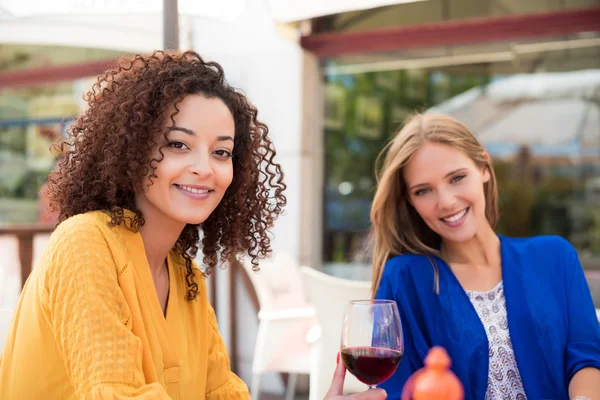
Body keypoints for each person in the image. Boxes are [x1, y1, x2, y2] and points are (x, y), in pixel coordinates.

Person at [0, 50, 386, 400]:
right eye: (178, 144)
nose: (205, 168)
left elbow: (223, 394)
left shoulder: (185, 275)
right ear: (132, 149)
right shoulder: (84, 243)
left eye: (221, 152)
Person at [369, 113, 600, 400]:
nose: (446, 202)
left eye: (457, 178)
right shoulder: (405, 279)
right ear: (410, 201)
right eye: (424, 190)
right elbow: (394, 389)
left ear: (484, 168)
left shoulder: (555, 257)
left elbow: (587, 358)